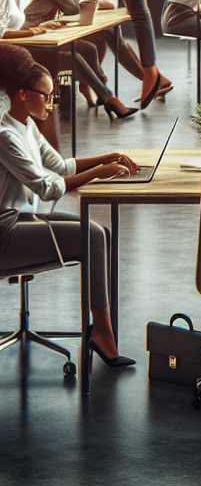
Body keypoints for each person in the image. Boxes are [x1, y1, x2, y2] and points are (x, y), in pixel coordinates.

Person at [0, 42, 137, 367]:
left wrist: (108, 157)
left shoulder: (26, 126)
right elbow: (47, 187)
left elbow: (61, 166)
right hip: (5, 232)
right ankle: (102, 335)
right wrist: (100, 173)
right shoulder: (6, 136)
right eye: (46, 96)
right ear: (23, 94)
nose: (52, 103)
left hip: (22, 219)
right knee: (92, 235)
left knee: (99, 233)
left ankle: (102, 332)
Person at [22, 0, 137, 122]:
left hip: (46, 33)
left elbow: (72, 7)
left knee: (89, 48)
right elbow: (72, 9)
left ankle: (101, 88)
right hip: (34, 40)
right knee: (73, 56)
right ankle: (107, 96)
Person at [0, 0, 66, 147]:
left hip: (14, 47)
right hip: (7, 51)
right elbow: (1, 31)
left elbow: (12, 26)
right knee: (51, 59)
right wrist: (31, 32)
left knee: (60, 57)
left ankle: (45, 145)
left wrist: (40, 27)